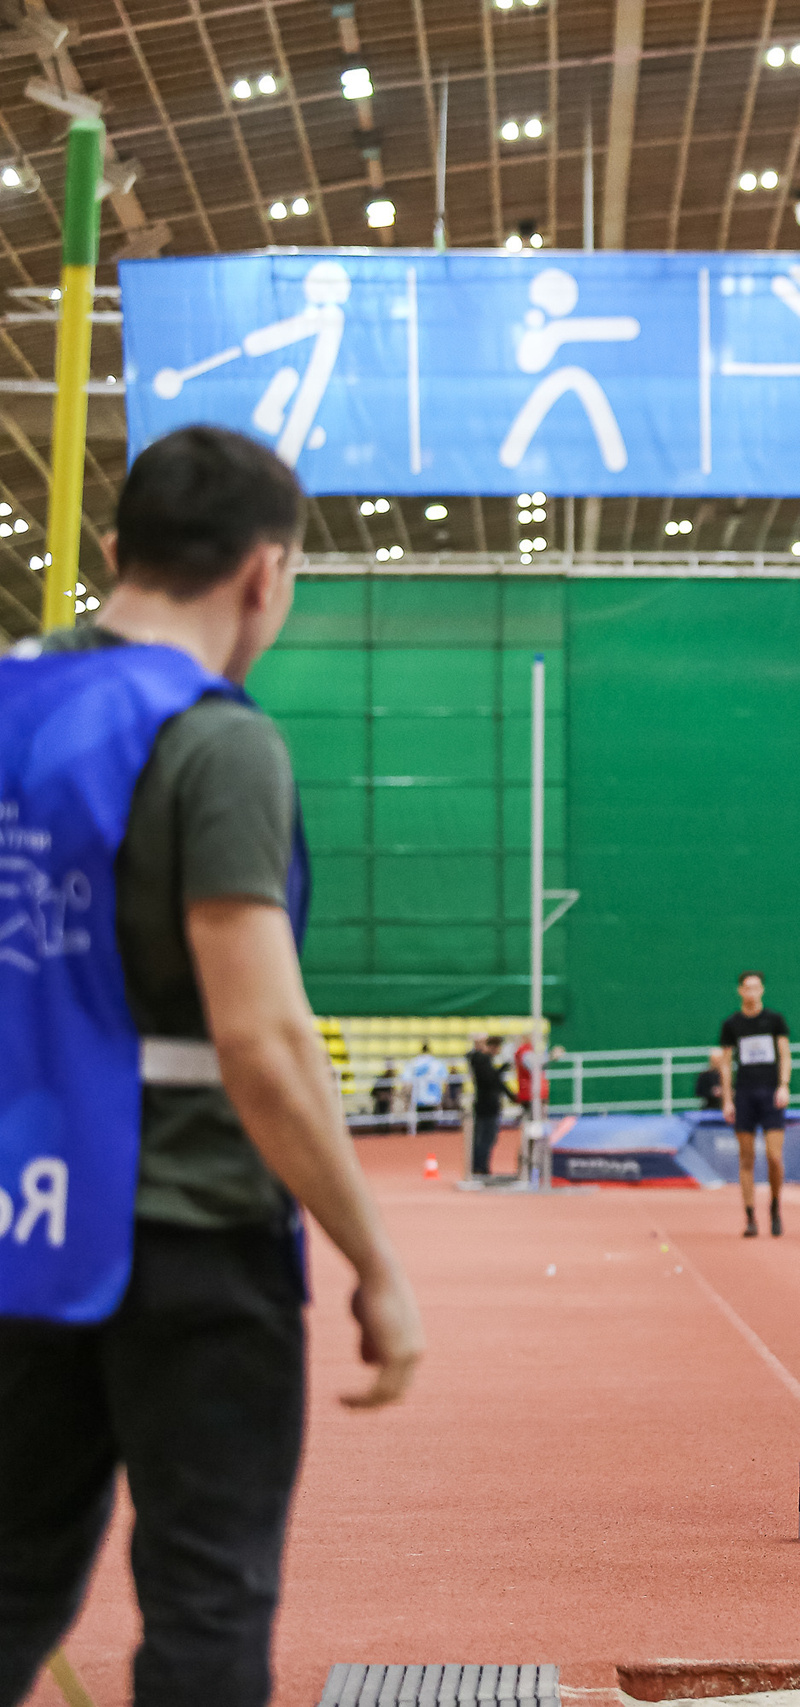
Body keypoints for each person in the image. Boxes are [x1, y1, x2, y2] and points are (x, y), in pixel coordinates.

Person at [0, 424, 423, 1706]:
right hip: (189, 1237)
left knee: (12, 1587)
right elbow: (262, 1038)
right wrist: (374, 1261)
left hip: (23, 1227)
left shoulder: (10, 700)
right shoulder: (218, 741)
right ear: (264, 575)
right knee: (207, 1601)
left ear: (118, 550)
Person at [716, 972, 791, 1238]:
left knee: (774, 1156)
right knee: (746, 1158)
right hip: (745, 1094)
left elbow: (784, 1054)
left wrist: (784, 1085)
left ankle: (775, 1206)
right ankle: (750, 1217)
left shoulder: (774, 1020)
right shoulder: (732, 1024)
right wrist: (727, 1099)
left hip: (771, 1094)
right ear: (740, 991)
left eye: (756, 987)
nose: (751, 992)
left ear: (762, 990)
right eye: (747, 988)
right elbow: (725, 1064)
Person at [465, 1035, 513, 1178]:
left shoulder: (483, 1060)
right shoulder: (481, 1059)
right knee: (485, 1138)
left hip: (486, 1104)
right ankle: (480, 1168)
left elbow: (493, 1078)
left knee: (486, 1138)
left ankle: (480, 1167)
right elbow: (493, 1080)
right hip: (487, 1104)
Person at [401, 1040, 445, 1133]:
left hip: (418, 1097)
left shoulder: (413, 1063)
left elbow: (406, 1082)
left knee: (420, 1125)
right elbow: (444, 1081)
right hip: (433, 1097)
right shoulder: (437, 1063)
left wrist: (406, 1099)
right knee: (431, 1125)